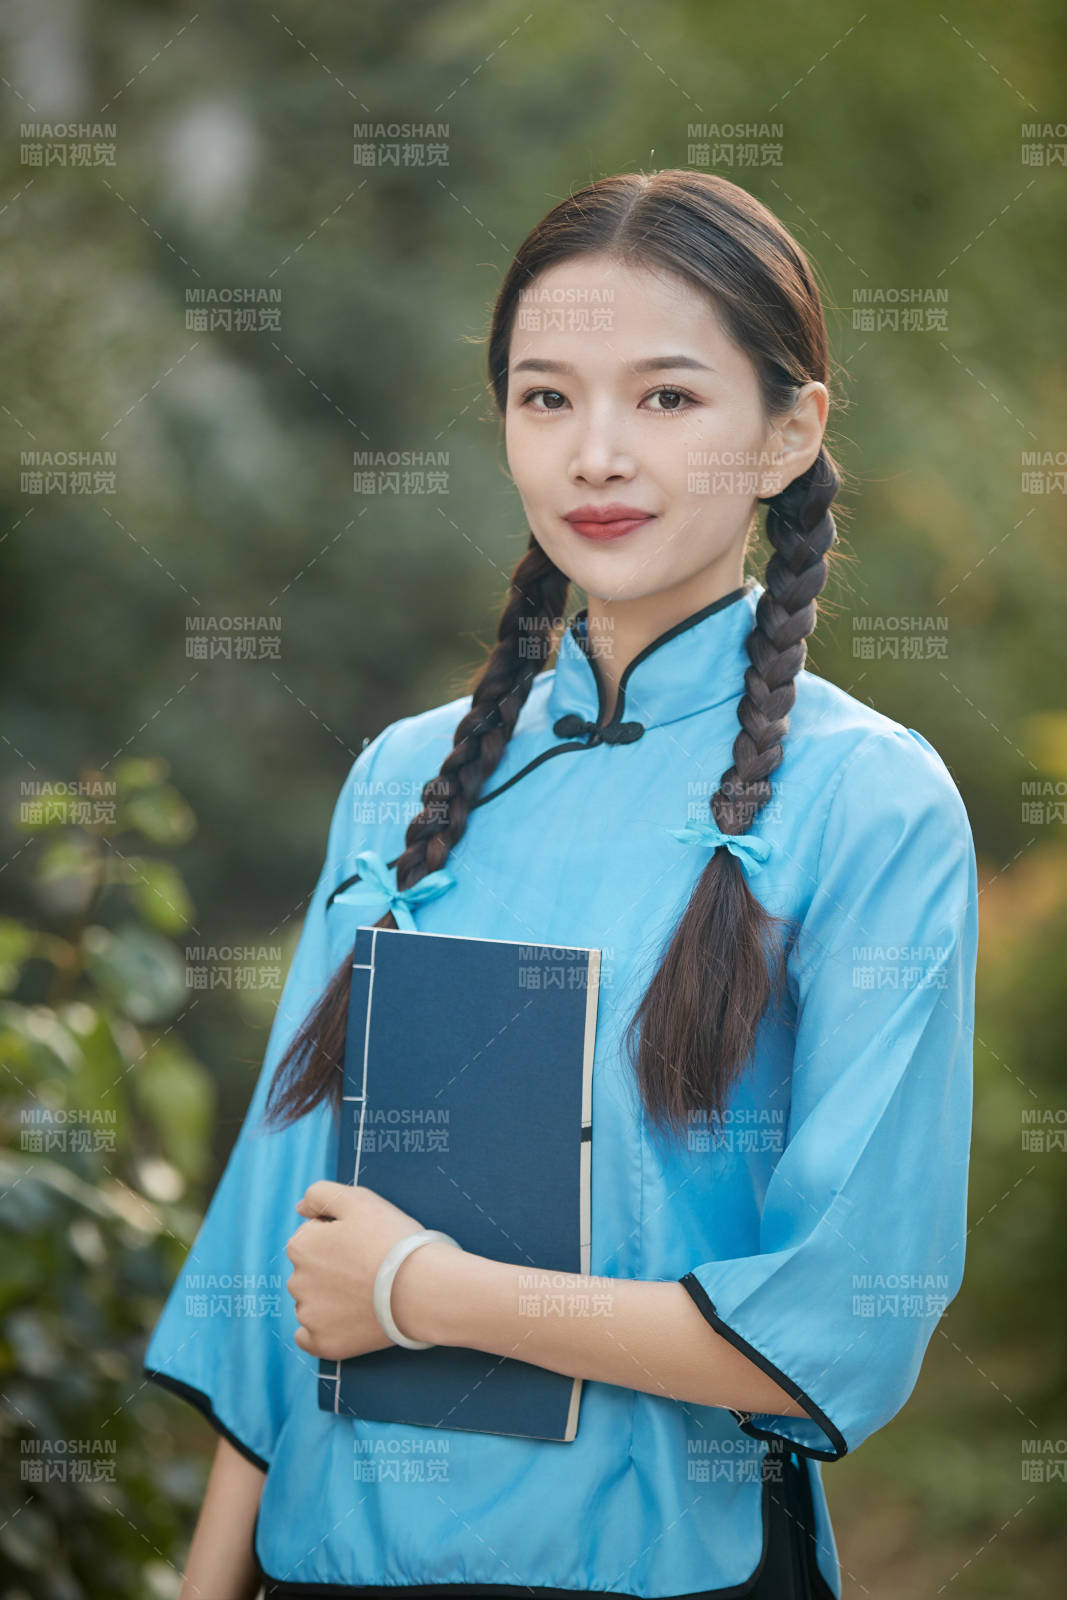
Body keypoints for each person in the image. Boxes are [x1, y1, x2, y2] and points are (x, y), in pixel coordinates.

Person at [143, 168, 979, 1600]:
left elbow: (839, 1313)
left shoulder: (871, 801)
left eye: (666, 398)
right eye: (547, 398)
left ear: (790, 432)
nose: (597, 454)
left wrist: (426, 1295)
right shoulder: (408, 780)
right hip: (329, 1566)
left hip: (672, 1572)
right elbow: (283, 1255)